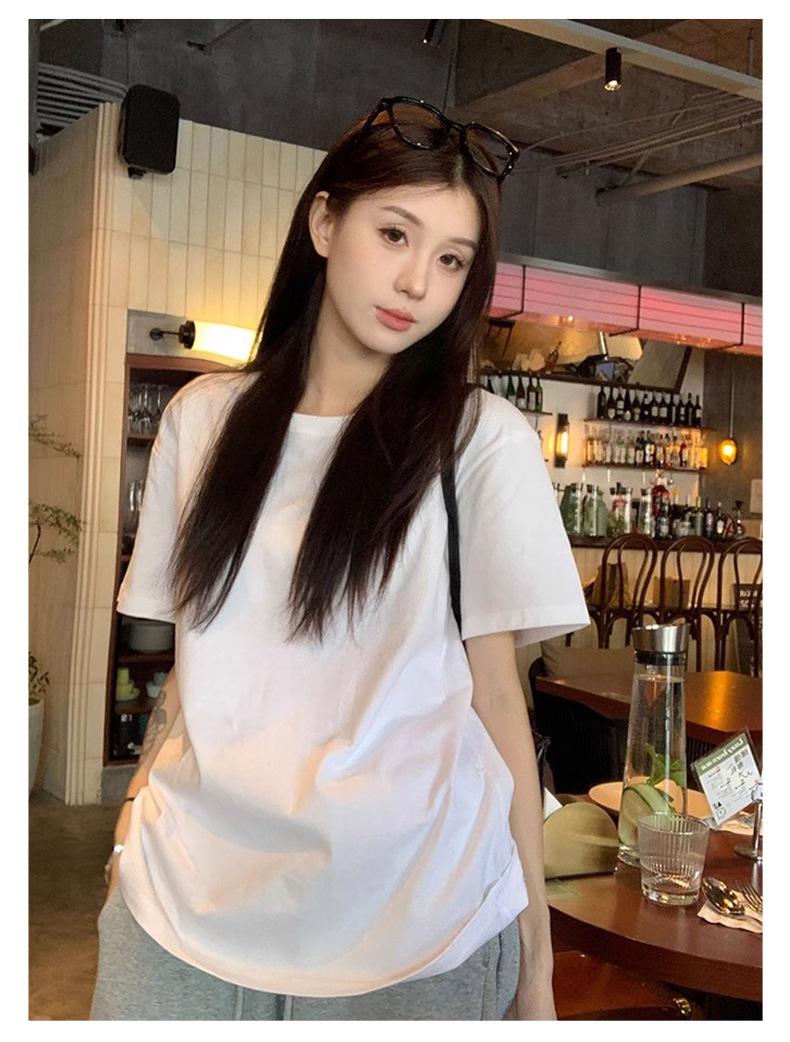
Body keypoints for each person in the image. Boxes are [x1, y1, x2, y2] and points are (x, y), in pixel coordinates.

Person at [89, 95, 589, 1021]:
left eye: (451, 260)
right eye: (394, 234)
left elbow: (498, 705)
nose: (416, 282)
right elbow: (195, 667)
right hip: (180, 909)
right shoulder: (204, 422)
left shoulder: (480, 443)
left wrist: (539, 970)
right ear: (325, 222)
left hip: (414, 929)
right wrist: (131, 823)